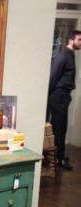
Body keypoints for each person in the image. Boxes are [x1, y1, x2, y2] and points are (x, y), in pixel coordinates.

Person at [47, 30, 81, 170]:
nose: (80, 42)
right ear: (71, 40)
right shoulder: (63, 56)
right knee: (59, 129)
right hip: (58, 96)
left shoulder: (70, 55)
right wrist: (49, 96)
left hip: (63, 96)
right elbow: (53, 76)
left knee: (61, 127)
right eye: (79, 39)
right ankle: (58, 159)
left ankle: (59, 155)